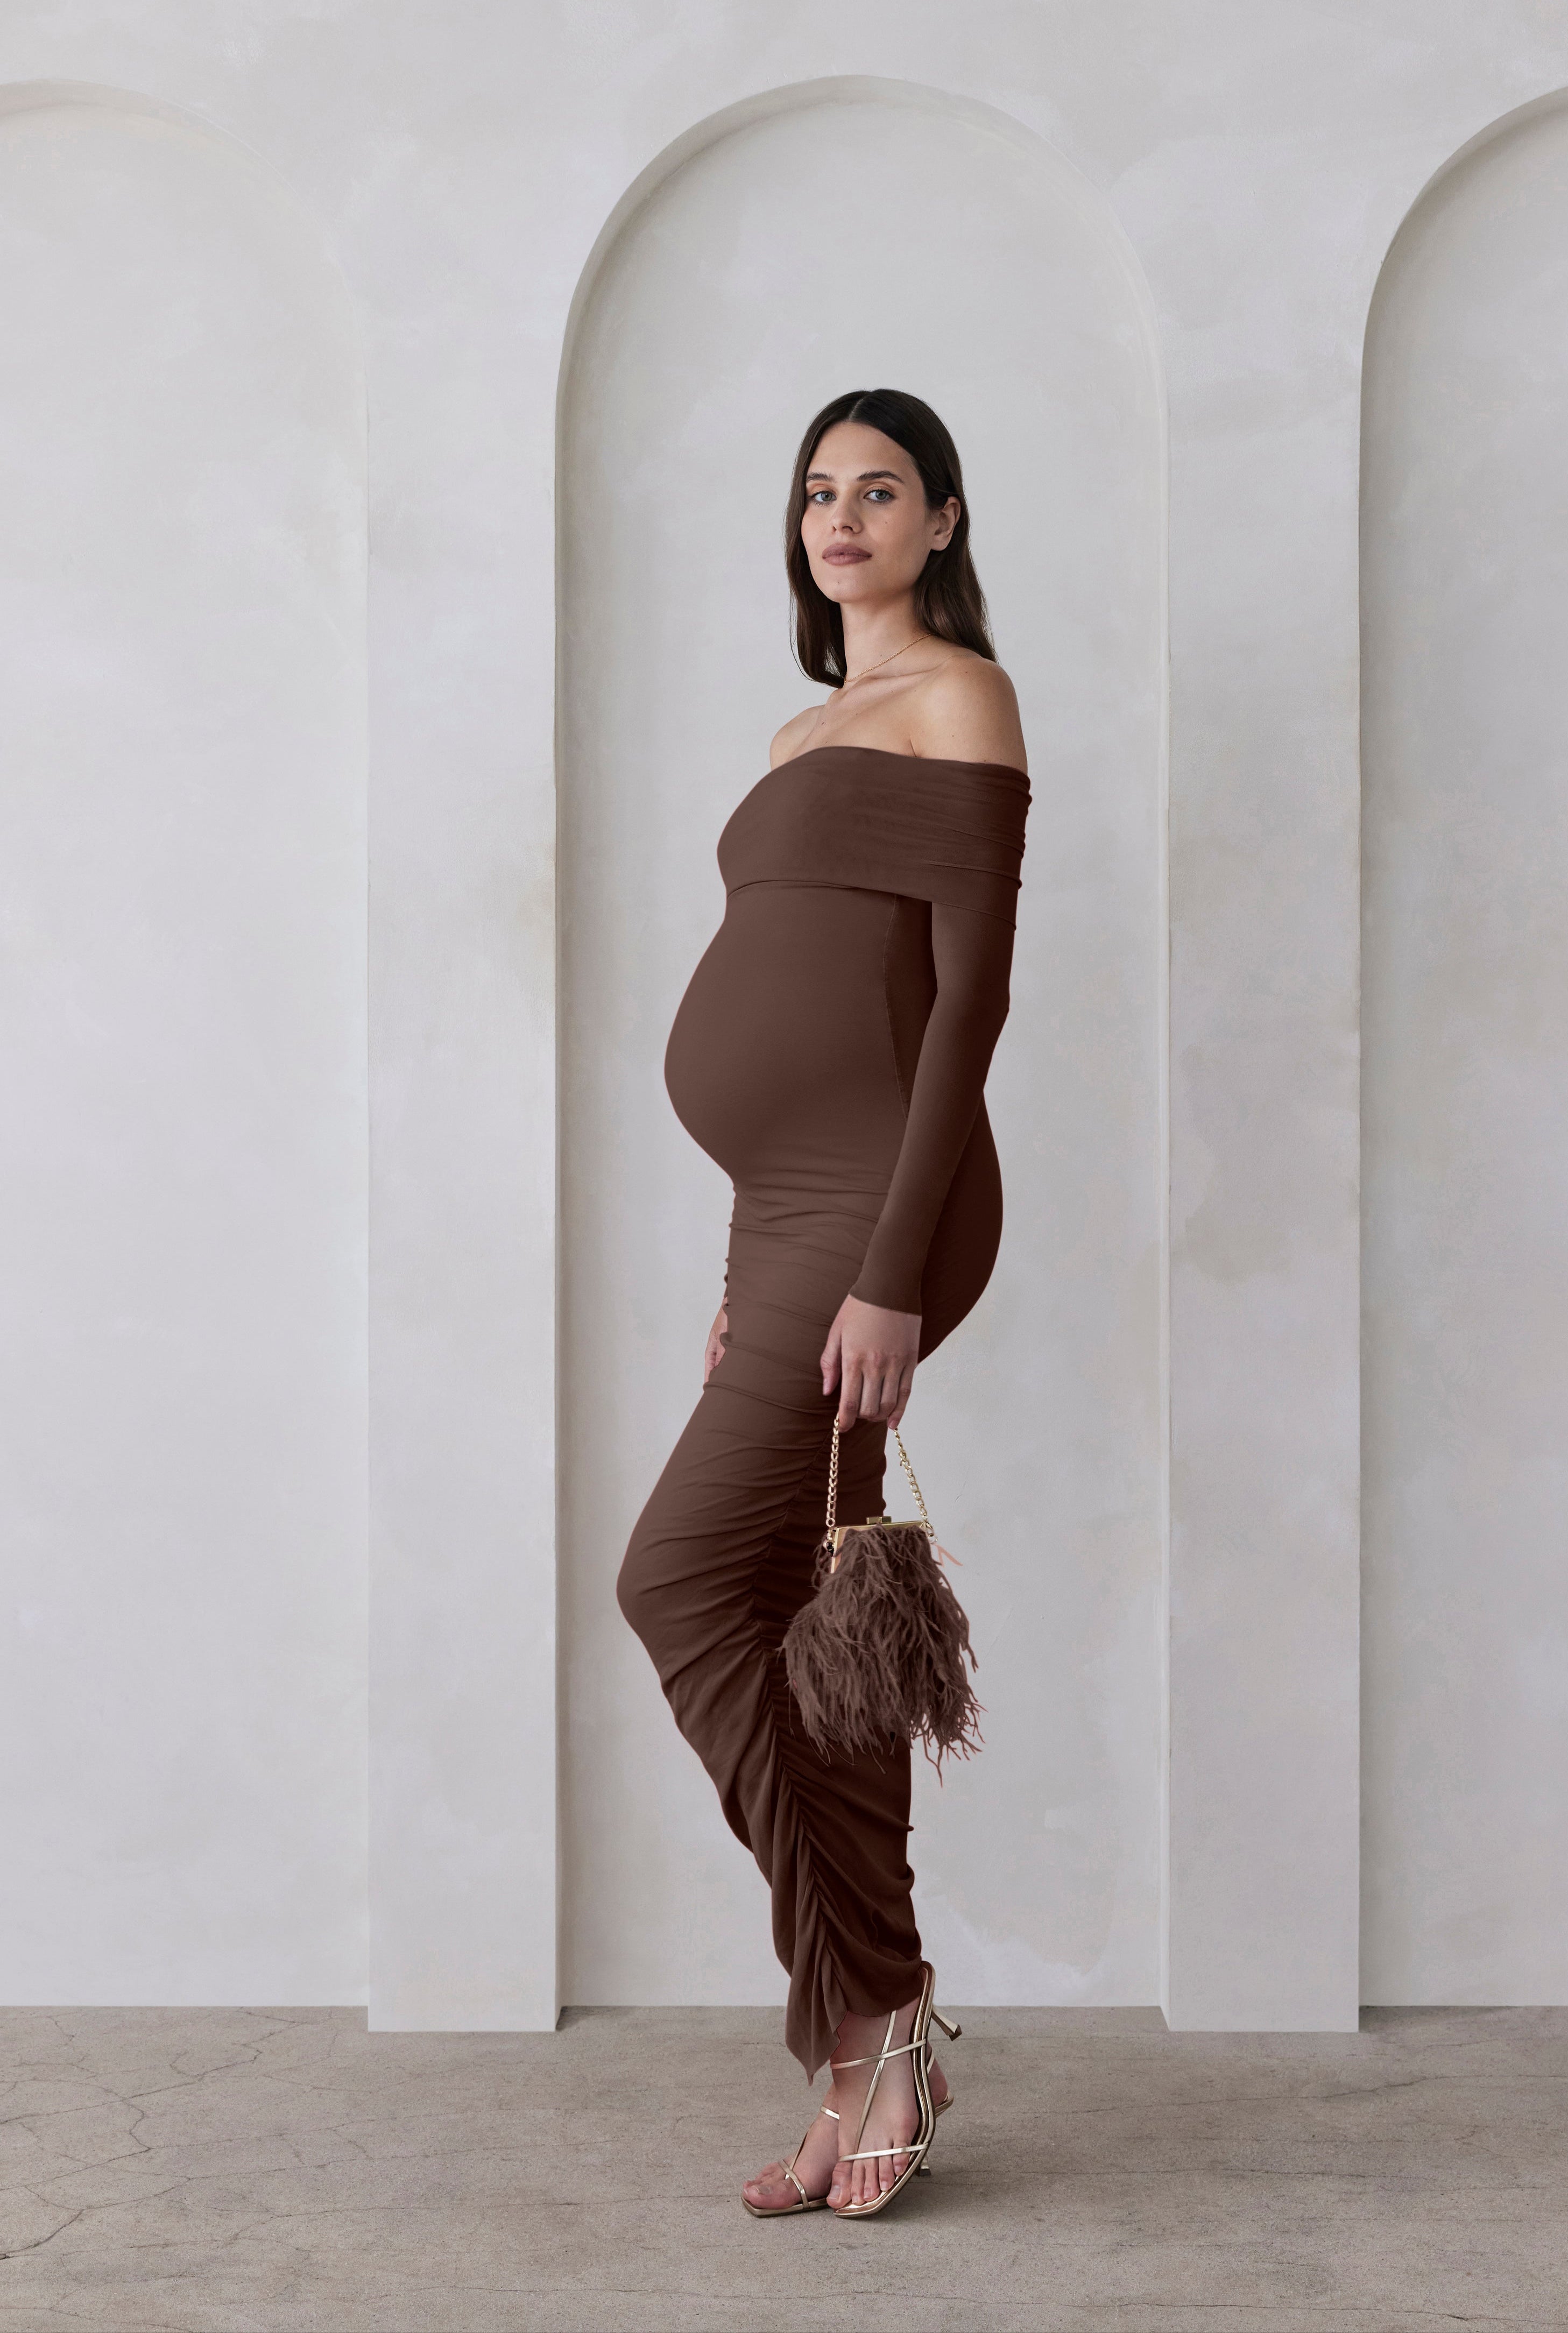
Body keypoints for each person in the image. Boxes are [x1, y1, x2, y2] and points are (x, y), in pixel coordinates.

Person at [616, 386, 1029, 2217]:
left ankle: (869, 2026)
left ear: (940, 521)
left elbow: (963, 1010)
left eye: (879, 489)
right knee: (814, 1626)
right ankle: (872, 2041)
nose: (841, 516)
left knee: (677, 1581)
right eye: (816, 492)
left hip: (874, 1215)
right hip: (781, 1223)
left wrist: (882, 1281)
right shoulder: (802, 731)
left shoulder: (958, 696)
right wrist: (750, 1284)